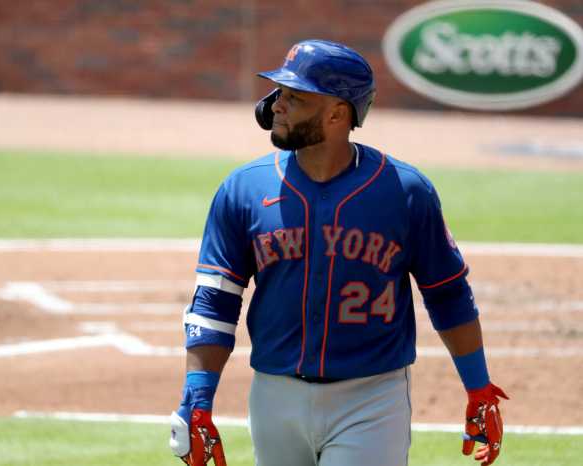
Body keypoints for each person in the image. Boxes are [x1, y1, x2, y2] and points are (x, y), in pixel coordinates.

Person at [169, 39, 508, 466]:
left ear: (337, 113)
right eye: (279, 93)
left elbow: (447, 293)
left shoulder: (405, 192)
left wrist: (478, 388)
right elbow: (215, 302)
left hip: (372, 400)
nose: (277, 105)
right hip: (274, 396)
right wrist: (197, 400)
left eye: (295, 97)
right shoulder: (243, 189)